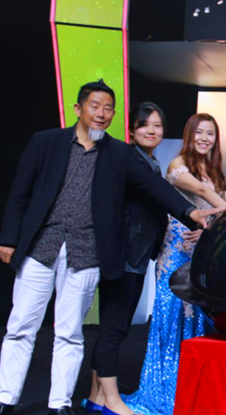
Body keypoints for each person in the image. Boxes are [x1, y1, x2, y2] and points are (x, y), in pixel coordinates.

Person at [0, 81, 217, 415]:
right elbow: (20, 192)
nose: (101, 114)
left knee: (70, 332)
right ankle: (4, 399)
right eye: (95, 106)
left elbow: (154, 186)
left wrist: (190, 212)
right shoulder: (46, 142)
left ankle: (59, 404)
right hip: (40, 247)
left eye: (108, 108)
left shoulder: (119, 153)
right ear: (78, 109)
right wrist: (8, 238)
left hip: (86, 253)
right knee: (21, 325)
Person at [122, 113, 226, 415]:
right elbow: (201, 193)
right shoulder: (177, 166)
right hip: (176, 251)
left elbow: (211, 214)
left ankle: (195, 389)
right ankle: (165, 389)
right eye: (199, 132)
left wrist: (209, 229)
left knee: (199, 318)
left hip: (200, 253)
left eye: (210, 133)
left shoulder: (216, 171)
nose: (205, 139)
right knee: (170, 317)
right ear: (189, 135)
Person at [81, 102, 170, 415]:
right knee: (115, 329)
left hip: (135, 255)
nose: (151, 131)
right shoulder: (130, 160)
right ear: (131, 130)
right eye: (144, 125)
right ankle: (112, 400)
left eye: (157, 125)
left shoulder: (150, 162)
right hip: (125, 256)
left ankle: (95, 397)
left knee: (111, 326)